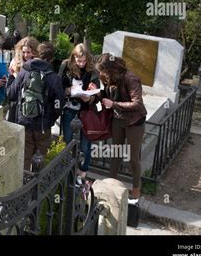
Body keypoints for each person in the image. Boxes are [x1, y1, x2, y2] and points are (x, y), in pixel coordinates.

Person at [95, 53, 147, 200]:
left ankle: (136, 190)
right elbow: (106, 94)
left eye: (104, 71)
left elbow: (138, 103)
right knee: (115, 153)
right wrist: (95, 93)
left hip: (134, 122)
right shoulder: (108, 78)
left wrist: (114, 104)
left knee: (133, 159)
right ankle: (111, 185)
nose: (102, 74)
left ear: (111, 70)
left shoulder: (130, 78)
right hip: (117, 120)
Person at [6, 42, 65, 170]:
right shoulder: (54, 78)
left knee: (25, 157)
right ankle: (37, 186)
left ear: (36, 54)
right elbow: (59, 105)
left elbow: (10, 94)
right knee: (40, 157)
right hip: (43, 125)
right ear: (52, 58)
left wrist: (11, 77)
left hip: (24, 122)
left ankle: (24, 184)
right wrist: (50, 120)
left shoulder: (23, 72)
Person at [58, 44, 100, 183]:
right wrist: (67, 90)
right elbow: (58, 86)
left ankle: (82, 173)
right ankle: (68, 171)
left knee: (85, 145)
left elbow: (98, 93)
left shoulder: (92, 71)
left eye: (84, 61)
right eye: (78, 61)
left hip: (86, 111)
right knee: (68, 141)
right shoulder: (66, 66)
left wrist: (91, 96)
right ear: (73, 57)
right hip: (70, 109)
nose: (81, 64)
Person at [6, 36, 39, 122]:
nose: (26, 55)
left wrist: (15, 74)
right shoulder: (15, 61)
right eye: (23, 52)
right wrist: (12, 74)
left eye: (29, 52)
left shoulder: (37, 63)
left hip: (31, 101)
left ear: (34, 52)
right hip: (16, 99)